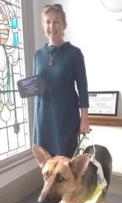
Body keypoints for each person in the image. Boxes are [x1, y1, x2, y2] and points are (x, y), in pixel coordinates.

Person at [33, 4, 90, 157]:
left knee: (66, 163)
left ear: (64, 24)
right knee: (45, 164)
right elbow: (35, 87)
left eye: (56, 21)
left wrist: (84, 118)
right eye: (48, 22)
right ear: (43, 25)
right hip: (43, 116)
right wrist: (26, 87)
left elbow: (83, 88)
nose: (52, 26)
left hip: (66, 117)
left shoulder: (74, 54)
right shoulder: (38, 55)